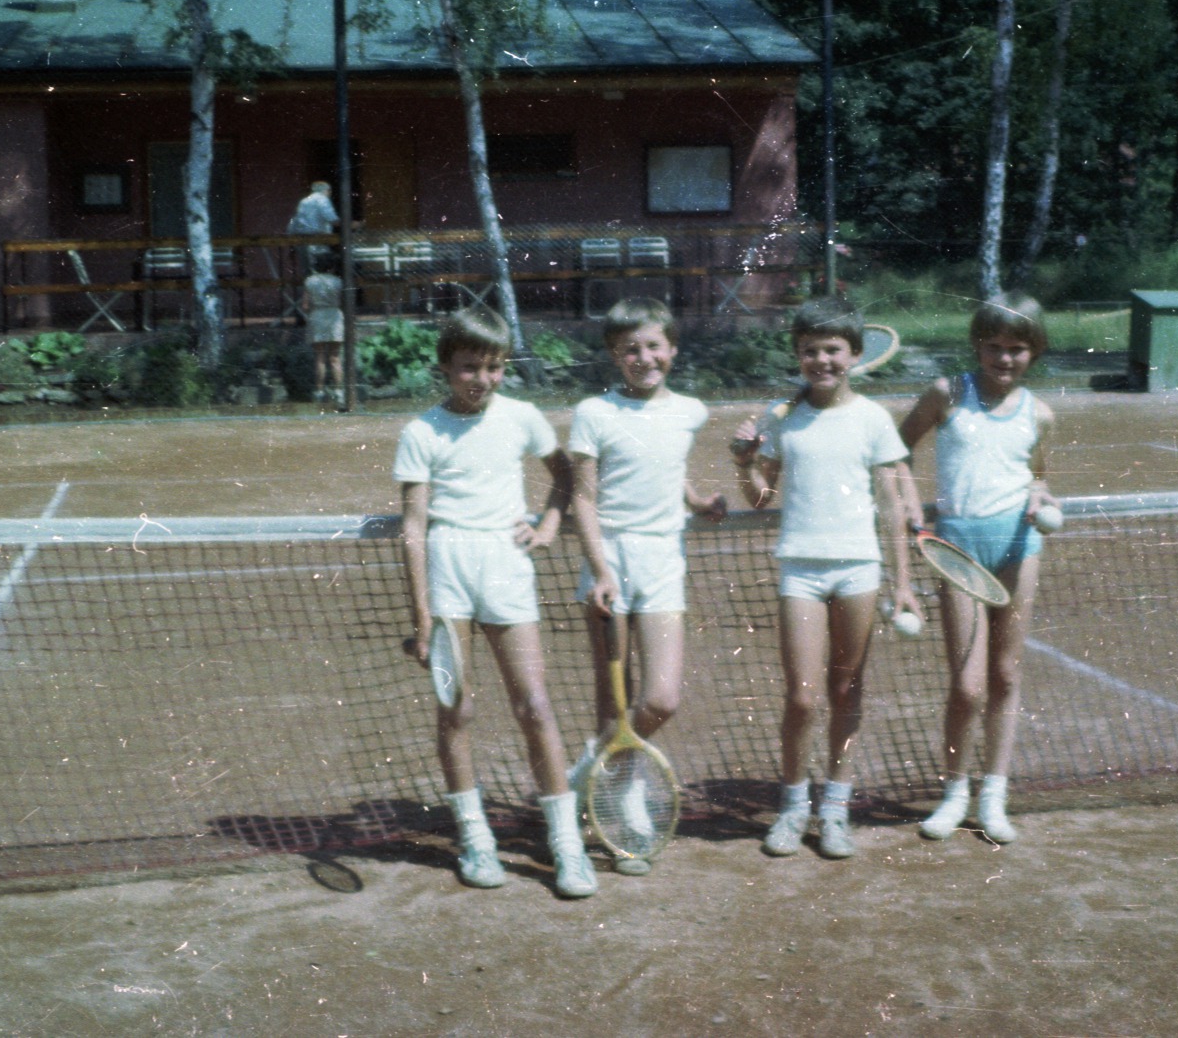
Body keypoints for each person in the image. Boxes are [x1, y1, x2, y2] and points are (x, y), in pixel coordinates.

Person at [394, 307, 597, 898]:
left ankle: (567, 847)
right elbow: (413, 527)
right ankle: (475, 838)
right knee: (455, 710)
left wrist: (551, 526)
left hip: (505, 568)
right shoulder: (421, 432)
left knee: (534, 705)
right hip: (448, 567)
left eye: (493, 367)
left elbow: (565, 478)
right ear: (446, 368)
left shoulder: (523, 418)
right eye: (468, 368)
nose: (480, 378)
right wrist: (422, 617)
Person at [732, 299, 921, 859]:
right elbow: (763, 500)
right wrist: (744, 462)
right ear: (798, 355)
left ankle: (835, 809)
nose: (822, 360)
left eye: (833, 350)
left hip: (859, 569)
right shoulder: (781, 417)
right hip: (801, 570)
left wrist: (903, 583)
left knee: (847, 691)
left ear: (855, 355)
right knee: (803, 698)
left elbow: (891, 506)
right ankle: (793, 808)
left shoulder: (873, 420)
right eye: (810, 350)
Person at [565, 298, 726, 876]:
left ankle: (596, 766)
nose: (644, 357)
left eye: (654, 345)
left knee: (660, 697)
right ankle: (623, 802)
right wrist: (600, 569)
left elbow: (667, 463)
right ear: (615, 354)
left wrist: (697, 500)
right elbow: (584, 496)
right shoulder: (593, 413)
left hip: (663, 560)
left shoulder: (690, 411)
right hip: (609, 558)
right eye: (631, 348)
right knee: (612, 693)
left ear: (673, 348)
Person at [897, 292, 1056, 845]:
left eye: (1017, 349)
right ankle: (954, 792)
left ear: (1034, 352)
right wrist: (912, 508)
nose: (1004, 359)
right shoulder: (948, 394)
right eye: (994, 347)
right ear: (976, 345)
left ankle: (994, 796)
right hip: (957, 551)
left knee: (1006, 675)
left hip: (1018, 548)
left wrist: (1040, 491)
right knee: (967, 687)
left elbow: (1037, 470)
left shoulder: (1040, 413)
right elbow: (897, 450)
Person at [302, 256, 343, 403]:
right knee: (335, 357)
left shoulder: (310, 281)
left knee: (320, 358)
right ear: (332, 267)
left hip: (317, 315)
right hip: (334, 316)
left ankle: (319, 391)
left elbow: (305, 305)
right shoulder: (338, 281)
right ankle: (339, 391)